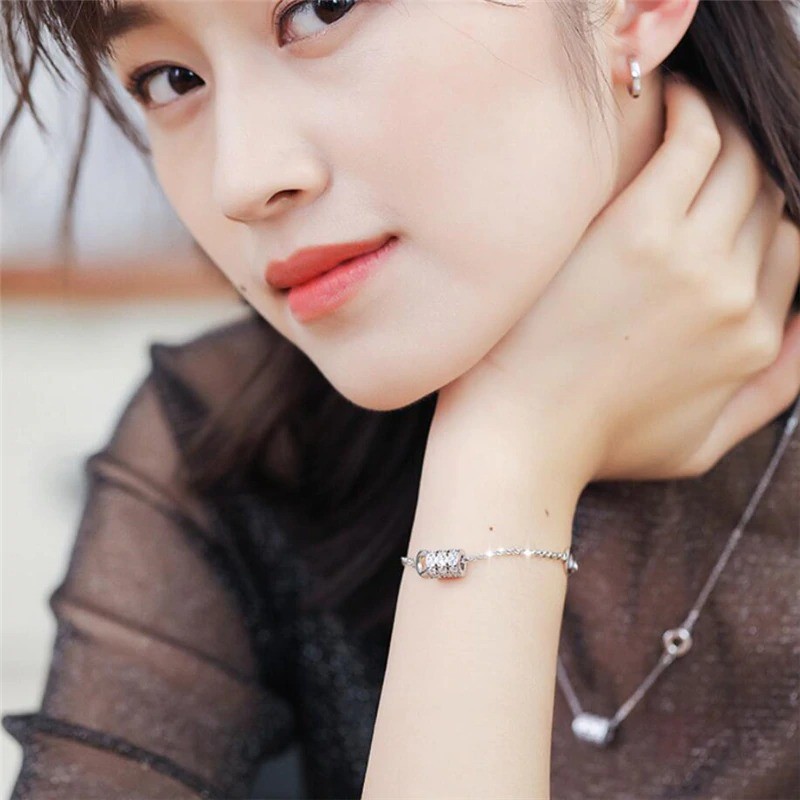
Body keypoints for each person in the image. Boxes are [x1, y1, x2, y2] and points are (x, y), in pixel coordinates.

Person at [2, 0, 799, 797]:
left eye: (323, 9)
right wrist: (505, 456)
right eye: (170, 80)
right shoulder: (237, 442)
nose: (240, 180)